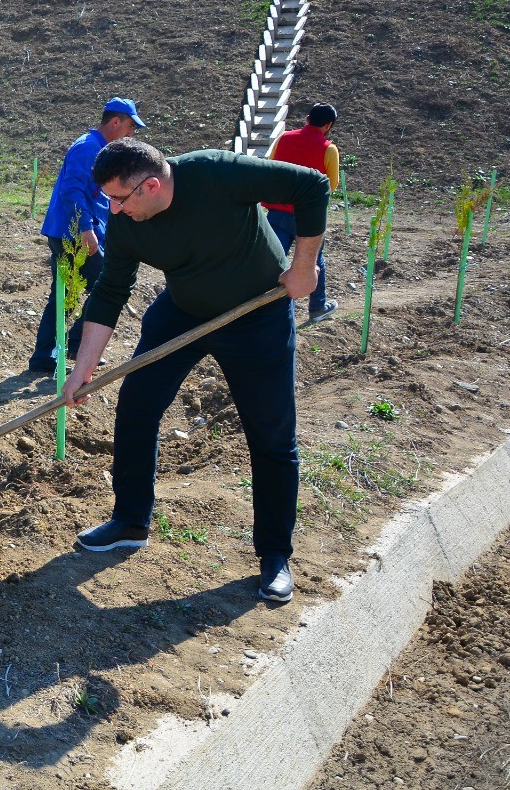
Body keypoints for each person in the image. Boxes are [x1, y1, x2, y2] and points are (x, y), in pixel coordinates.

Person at [59, 138, 329, 605]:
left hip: (256, 314)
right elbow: (110, 291)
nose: (114, 212)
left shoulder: (216, 173)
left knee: (271, 437)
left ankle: (274, 555)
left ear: (151, 185)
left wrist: (303, 265)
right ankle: (130, 520)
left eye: (119, 200)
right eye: (108, 201)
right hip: (183, 312)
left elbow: (311, 185)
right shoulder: (127, 222)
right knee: (137, 405)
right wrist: (83, 367)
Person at [28, 98, 145, 376]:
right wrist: (85, 229)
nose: (131, 133)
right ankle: (65, 349)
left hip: (80, 233)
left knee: (68, 293)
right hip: (71, 234)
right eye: (129, 126)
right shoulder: (87, 148)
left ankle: (51, 354)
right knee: (105, 286)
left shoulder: (100, 149)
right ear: (115, 122)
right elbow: (73, 192)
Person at [262, 102, 341, 325]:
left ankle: (266, 310)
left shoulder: (284, 138)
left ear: (307, 119)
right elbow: (331, 185)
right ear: (328, 125)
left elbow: (271, 167)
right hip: (309, 217)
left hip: (278, 211)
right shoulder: (328, 148)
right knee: (315, 260)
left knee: (273, 261)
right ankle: (317, 307)